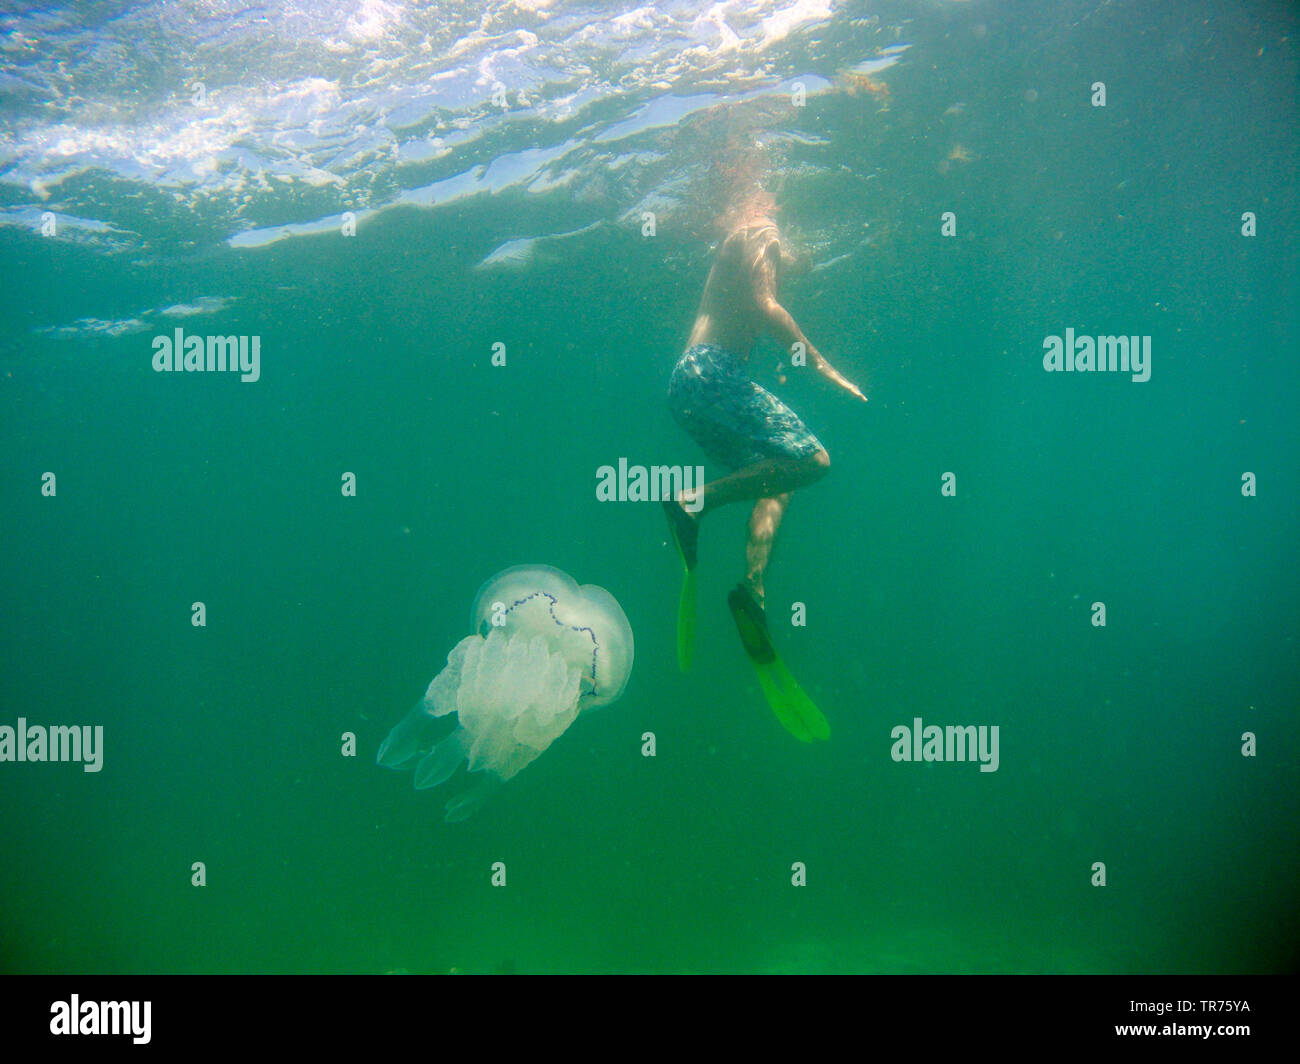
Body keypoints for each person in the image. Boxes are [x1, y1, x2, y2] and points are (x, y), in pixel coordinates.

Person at [662, 204, 865, 741]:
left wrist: (801, 261)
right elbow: (766, 304)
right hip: (714, 371)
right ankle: (693, 503)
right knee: (812, 461)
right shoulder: (761, 227)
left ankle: (752, 590)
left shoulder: (743, 243)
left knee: (778, 476)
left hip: (688, 385)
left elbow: (772, 276)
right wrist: (825, 368)